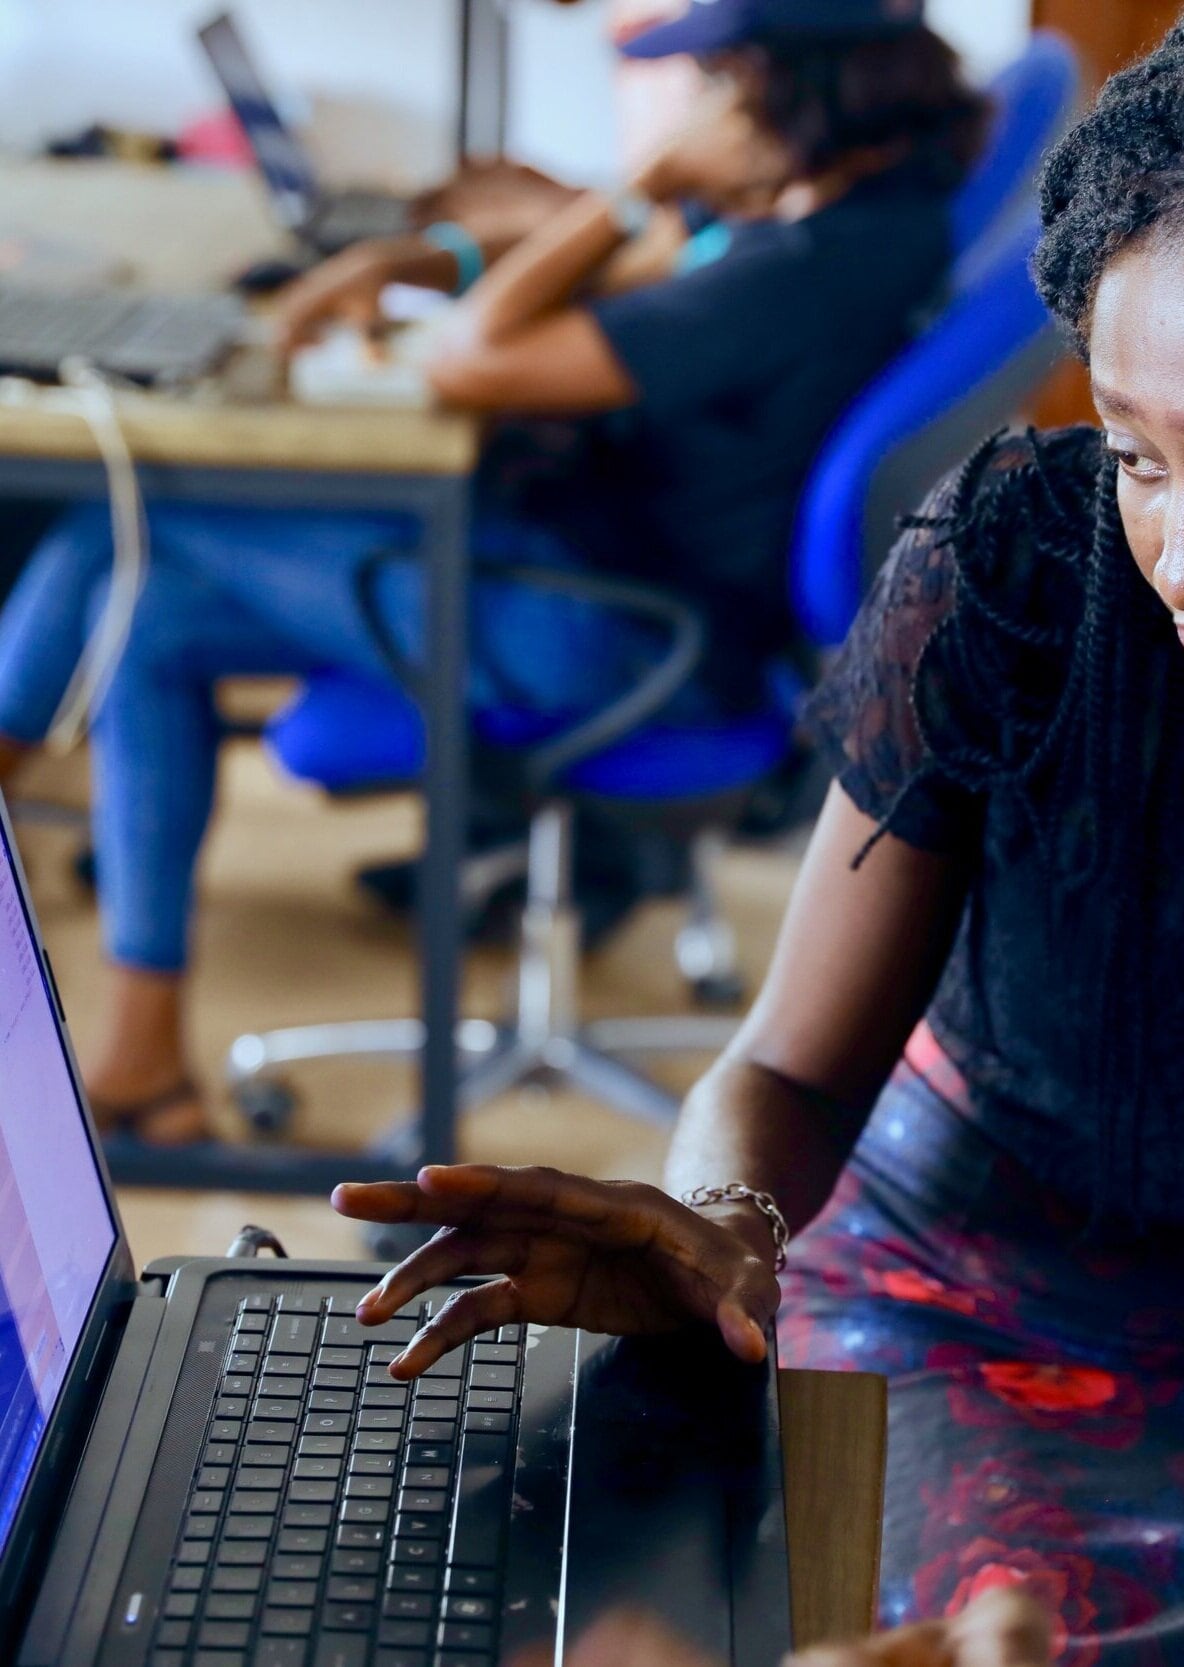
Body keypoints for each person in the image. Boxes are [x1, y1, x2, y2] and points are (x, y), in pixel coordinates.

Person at [331, 1, 1184, 1661]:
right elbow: (793, 1070)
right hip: (939, 1282)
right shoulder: (1030, 580)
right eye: (1131, 455)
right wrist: (730, 1233)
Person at [0, 0, 984, 1147]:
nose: (693, 110)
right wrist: (446, 248)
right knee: (145, 609)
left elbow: (477, 356)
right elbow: (642, 266)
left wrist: (636, 185)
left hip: (612, 633)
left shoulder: (802, 268)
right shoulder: (854, 216)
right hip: (606, 578)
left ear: (790, 95)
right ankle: (144, 1063)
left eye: (714, 82)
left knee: (119, 531)